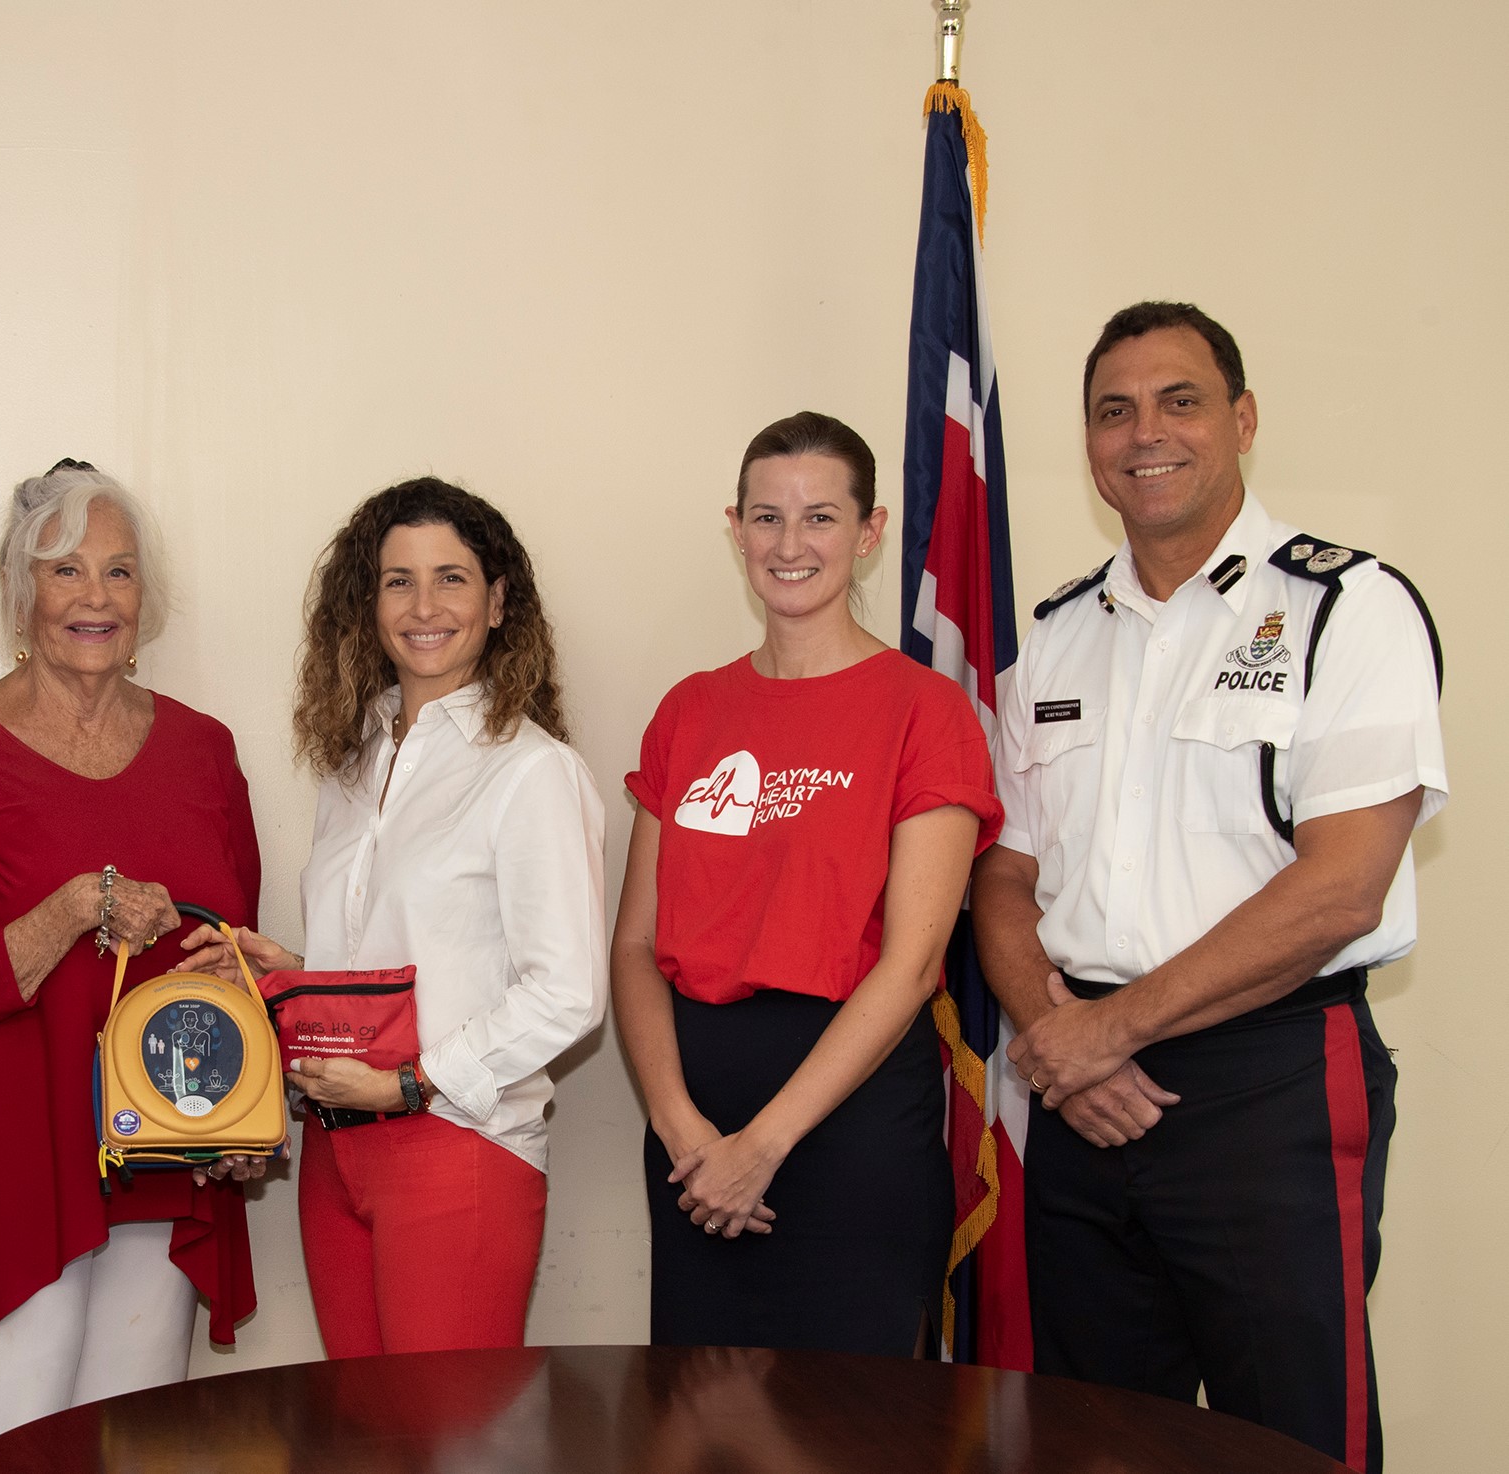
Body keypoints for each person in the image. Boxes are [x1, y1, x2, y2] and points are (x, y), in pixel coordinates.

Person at [973, 302, 1445, 1473]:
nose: (1147, 432)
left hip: (1267, 1087)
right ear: (1088, 443)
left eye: (1179, 400)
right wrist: (1053, 1031)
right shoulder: (1055, 641)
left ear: (1240, 419)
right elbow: (1006, 873)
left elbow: (1342, 890)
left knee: (1285, 1440)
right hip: (1081, 1098)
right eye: (1113, 410)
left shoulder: (1353, 609)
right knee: (1090, 1440)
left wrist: (1099, 1035)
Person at [180, 477, 609, 1358]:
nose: (423, 606)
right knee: (362, 1440)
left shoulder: (531, 771)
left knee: (448, 1440)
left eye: (451, 578)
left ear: (498, 602)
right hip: (336, 1151)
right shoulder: (355, 764)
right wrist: (286, 975)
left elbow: (568, 994)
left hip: (456, 1148)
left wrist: (412, 1084)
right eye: (397, 580)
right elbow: (408, 964)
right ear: (367, 603)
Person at [0, 460, 264, 1463]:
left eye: (119, 571)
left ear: (147, 594)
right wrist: (67, 910)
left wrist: (247, 1095)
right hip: (18, 1165)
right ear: (22, 591)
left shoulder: (206, 751)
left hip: (166, 1154)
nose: (94, 598)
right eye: (65, 572)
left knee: (140, 1448)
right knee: (16, 1447)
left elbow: (234, 955)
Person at [612, 411, 1001, 1356]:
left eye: (821, 517)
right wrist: (683, 1131)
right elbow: (633, 945)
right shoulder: (690, 709)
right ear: (736, 528)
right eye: (767, 517)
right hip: (693, 1122)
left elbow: (911, 968)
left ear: (868, 534)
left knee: (847, 1429)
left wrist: (763, 1146)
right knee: (695, 1424)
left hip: (848, 1116)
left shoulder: (926, 711)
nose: (791, 545)